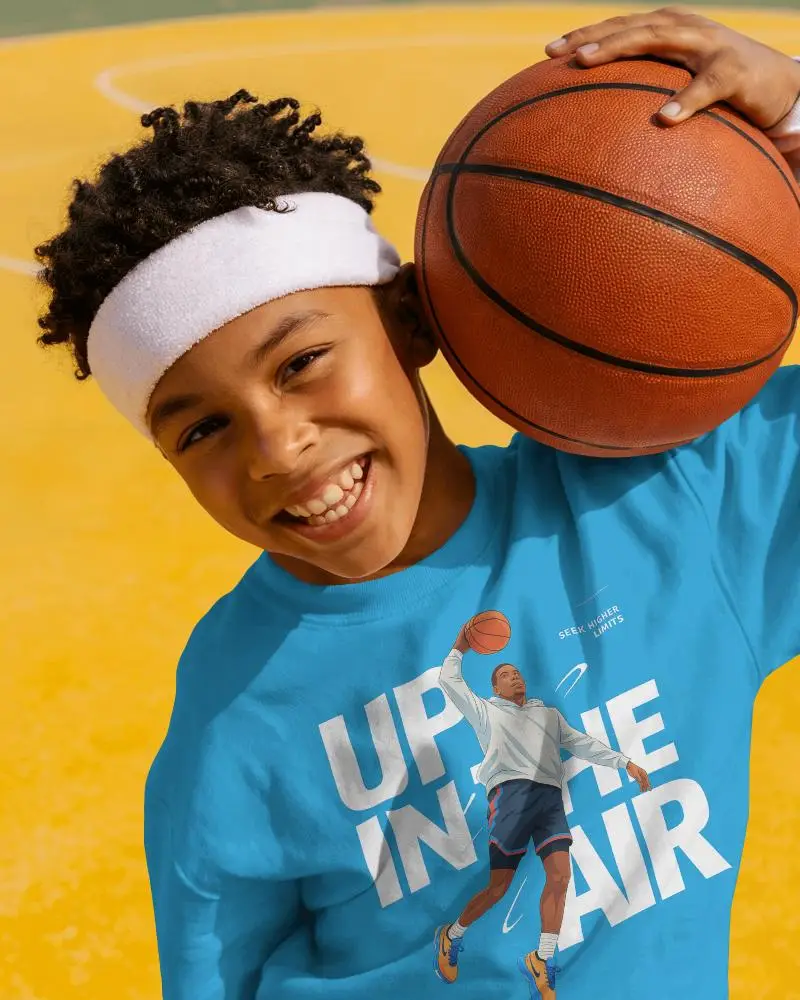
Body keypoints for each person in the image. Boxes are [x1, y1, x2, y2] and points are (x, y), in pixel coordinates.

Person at [32, 8, 800, 1000]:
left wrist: (788, 118)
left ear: (406, 321)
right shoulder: (235, 711)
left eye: (302, 363)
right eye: (202, 430)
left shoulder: (668, 509)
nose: (277, 446)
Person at [434, 618, 651, 996]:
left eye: (517, 672)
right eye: (505, 674)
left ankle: (542, 958)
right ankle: (452, 936)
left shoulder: (549, 715)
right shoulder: (486, 712)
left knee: (561, 877)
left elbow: (582, 743)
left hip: (549, 798)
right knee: (498, 887)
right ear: (495, 687)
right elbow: (448, 680)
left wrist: (624, 762)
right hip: (510, 796)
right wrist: (462, 645)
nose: (515, 677)